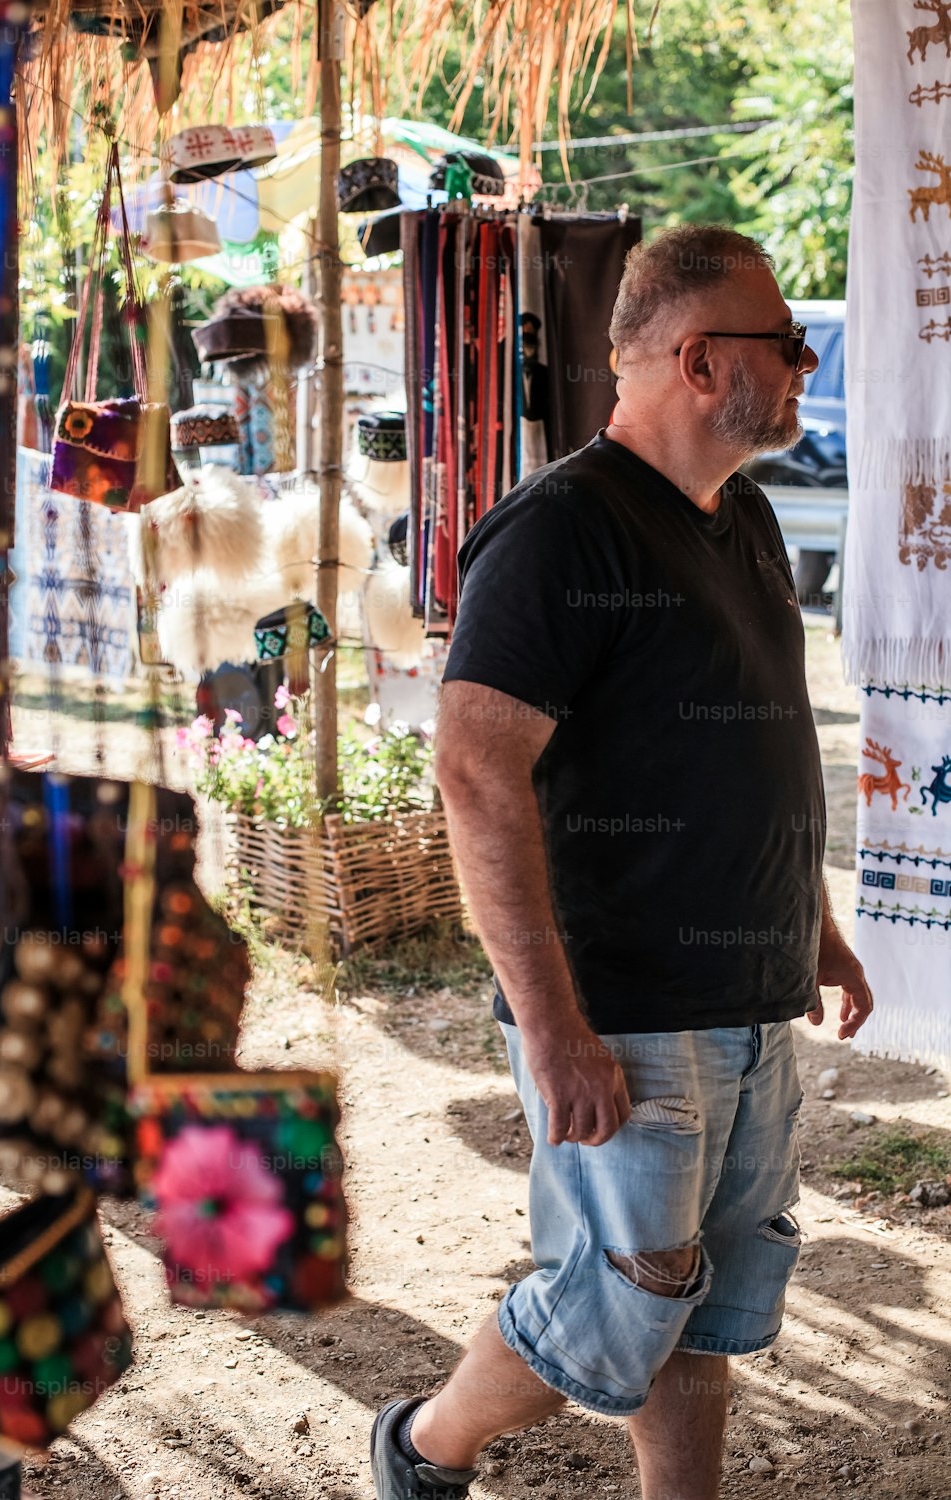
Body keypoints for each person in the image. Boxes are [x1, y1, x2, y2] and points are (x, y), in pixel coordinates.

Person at [369, 225, 874, 1500]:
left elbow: (754, 751)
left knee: (708, 1288)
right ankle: (425, 1448)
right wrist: (549, 1029)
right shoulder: (558, 535)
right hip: (625, 1005)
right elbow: (478, 773)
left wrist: (809, 928)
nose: (806, 364)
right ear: (701, 362)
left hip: (749, 992)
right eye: (787, 342)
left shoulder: (744, 515)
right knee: (622, 1292)